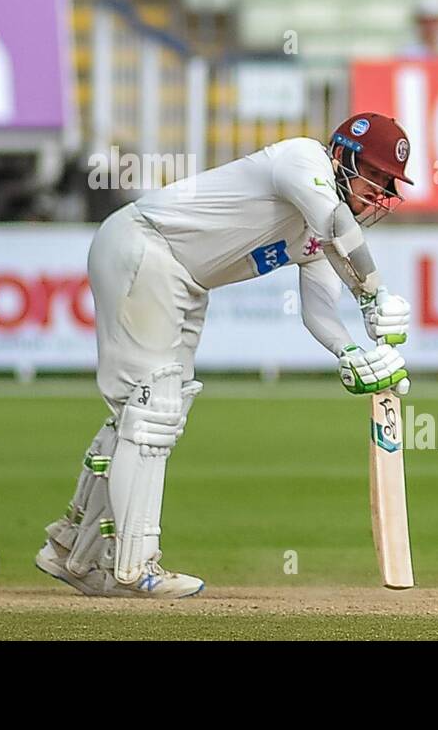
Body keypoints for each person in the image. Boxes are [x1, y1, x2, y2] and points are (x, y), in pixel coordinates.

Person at [36, 114, 415, 597]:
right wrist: (375, 294)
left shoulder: (318, 235)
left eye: (389, 184)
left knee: (149, 415)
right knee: (153, 410)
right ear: (343, 157)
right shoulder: (301, 159)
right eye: (377, 177)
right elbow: (336, 222)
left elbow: (319, 310)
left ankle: (72, 548)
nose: (380, 192)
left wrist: (352, 354)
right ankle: (135, 566)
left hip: (186, 279)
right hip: (145, 246)